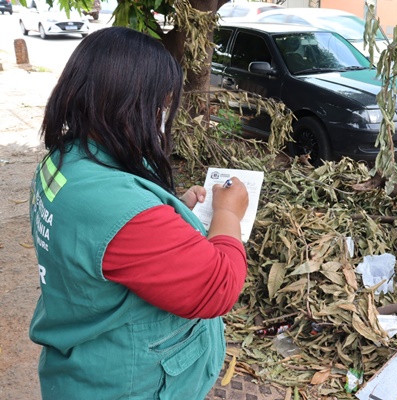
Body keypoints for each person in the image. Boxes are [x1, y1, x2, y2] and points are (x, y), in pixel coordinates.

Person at [29, 27, 249, 399]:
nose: (164, 115)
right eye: (162, 104)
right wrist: (229, 214)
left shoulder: (66, 162)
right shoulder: (117, 208)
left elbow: (100, 237)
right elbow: (218, 287)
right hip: (130, 384)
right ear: (132, 104)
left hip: (83, 366)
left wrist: (172, 208)